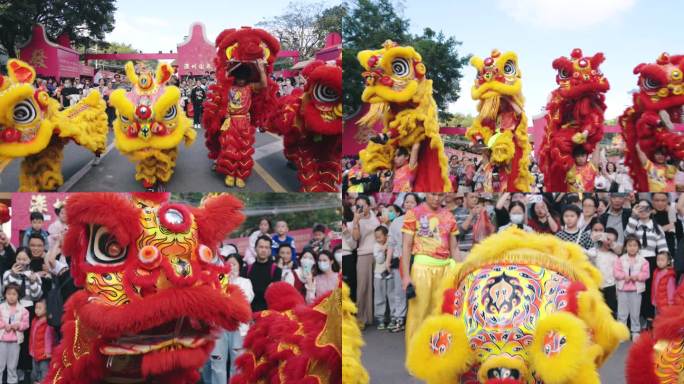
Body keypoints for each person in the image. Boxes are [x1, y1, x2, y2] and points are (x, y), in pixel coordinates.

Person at [401, 193, 460, 349]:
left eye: (440, 195)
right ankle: (416, 355)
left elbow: (454, 248)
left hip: (446, 269)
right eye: (433, 194)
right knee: (418, 313)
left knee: (443, 312)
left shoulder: (449, 216)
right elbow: (406, 246)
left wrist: (461, 272)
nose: (436, 198)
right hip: (422, 269)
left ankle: (439, 353)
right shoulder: (413, 214)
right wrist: (406, 277)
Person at [202, 252, 253, 384]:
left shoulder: (245, 282)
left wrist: (229, 289)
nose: (231, 267)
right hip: (219, 327)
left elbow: (245, 300)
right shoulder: (216, 282)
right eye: (228, 264)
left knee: (237, 363)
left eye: (234, 264)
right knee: (217, 363)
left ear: (240, 266)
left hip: (238, 328)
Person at [625, 199, 667, 322]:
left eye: (646, 208)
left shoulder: (657, 227)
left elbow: (663, 247)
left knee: (649, 291)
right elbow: (627, 236)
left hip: (652, 261)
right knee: (635, 290)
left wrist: (665, 264)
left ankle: (649, 318)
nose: (643, 211)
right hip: (635, 260)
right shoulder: (633, 224)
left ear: (651, 210)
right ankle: (634, 318)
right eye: (640, 208)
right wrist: (633, 216)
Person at [385, 195, 418, 333]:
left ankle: (417, 320)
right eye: (407, 202)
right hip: (401, 258)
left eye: (412, 202)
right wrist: (388, 260)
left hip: (418, 259)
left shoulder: (422, 220)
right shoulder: (397, 222)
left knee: (417, 290)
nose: (409, 204)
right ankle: (400, 318)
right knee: (399, 290)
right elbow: (391, 243)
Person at [351, 195, 380, 329]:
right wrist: (356, 221)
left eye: (363, 205)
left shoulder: (375, 215)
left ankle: (372, 317)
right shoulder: (356, 219)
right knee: (362, 287)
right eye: (358, 205)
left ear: (369, 206)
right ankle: (360, 318)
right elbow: (356, 238)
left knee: (377, 286)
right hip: (364, 254)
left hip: (378, 253)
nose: (361, 208)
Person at [614, 235, 650, 341]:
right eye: (629, 245)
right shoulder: (620, 259)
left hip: (636, 291)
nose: (632, 247)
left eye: (635, 245)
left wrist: (637, 277)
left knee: (635, 312)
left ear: (638, 247)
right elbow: (616, 272)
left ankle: (635, 331)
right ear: (625, 247)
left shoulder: (643, 261)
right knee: (622, 313)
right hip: (622, 290)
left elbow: (646, 274)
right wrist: (623, 276)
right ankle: (622, 332)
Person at [0, 284, 30, 384]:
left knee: (12, 366)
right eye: (8, 294)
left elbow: (26, 324)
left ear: (18, 295)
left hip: (15, 342)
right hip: (2, 340)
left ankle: (12, 382)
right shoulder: (1, 308)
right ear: (5, 295)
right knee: (0, 365)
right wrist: (4, 325)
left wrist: (18, 325)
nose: (11, 296)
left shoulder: (23, 310)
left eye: (14, 294)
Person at [587, 227, 619, 316]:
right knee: (596, 312)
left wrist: (617, 291)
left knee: (610, 312)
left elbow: (616, 275)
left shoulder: (615, 256)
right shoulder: (594, 253)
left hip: (610, 287)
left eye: (613, 240)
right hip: (597, 286)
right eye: (608, 239)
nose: (610, 242)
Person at [244, 235, 281, 312]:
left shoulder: (276, 270)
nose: (263, 250)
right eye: (261, 247)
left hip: (268, 312)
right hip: (249, 312)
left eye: (266, 247)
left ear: (270, 250)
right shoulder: (246, 269)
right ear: (255, 249)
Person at [29, 299, 54, 384]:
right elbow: (32, 337)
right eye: (36, 307)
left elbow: (50, 339)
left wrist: (48, 352)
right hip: (35, 353)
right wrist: (31, 350)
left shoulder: (49, 323)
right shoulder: (34, 321)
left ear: (46, 310)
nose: (37, 310)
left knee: (44, 372)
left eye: (40, 308)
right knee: (34, 373)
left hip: (45, 354)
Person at [372, 226, 392, 330]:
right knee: (379, 297)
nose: (378, 239)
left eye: (380, 237)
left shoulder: (390, 244)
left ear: (386, 236)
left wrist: (387, 246)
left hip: (389, 274)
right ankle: (380, 319)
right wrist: (383, 250)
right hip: (378, 275)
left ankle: (391, 318)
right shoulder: (376, 246)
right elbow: (379, 260)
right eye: (376, 237)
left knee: (391, 296)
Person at [651, 251, 676, 316]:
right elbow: (654, 287)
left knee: (664, 320)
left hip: (665, 305)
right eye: (658, 260)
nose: (659, 262)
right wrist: (654, 300)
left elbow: (671, 292)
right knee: (657, 319)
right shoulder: (656, 272)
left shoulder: (670, 276)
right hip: (657, 303)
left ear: (668, 262)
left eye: (662, 260)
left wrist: (670, 304)